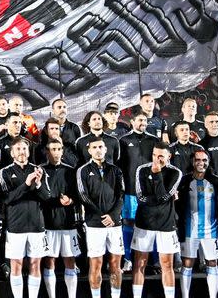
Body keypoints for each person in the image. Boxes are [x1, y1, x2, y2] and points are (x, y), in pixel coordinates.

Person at [0, 137, 50, 298]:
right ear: (12, 153)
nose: (22, 152)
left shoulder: (38, 170)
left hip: (36, 226)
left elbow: (47, 196)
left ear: (29, 151)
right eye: (18, 149)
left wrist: (39, 183)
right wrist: (27, 184)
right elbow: (7, 198)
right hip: (15, 227)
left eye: (25, 149)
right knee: (16, 265)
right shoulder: (5, 172)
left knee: (35, 264)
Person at [131, 141, 182, 298]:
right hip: (144, 223)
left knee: (167, 264)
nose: (156, 159)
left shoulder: (175, 173)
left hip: (166, 224)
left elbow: (162, 196)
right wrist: (163, 198)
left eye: (160, 156)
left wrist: (157, 174)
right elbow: (140, 198)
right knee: (140, 263)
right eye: (154, 155)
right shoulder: (142, 169)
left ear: (169, 156)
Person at [76, 138, 124, 298]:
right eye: (94, 147)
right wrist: (101, 216)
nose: (98, 149)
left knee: (115, 265)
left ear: (105, 149)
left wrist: (113, 215)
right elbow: (83, 196)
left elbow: (121, 195)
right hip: (94, 224)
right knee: (96, 264)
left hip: (114, 224)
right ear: (89, 150)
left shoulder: (115, 170)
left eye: (101, 147)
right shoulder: (83, 170)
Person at [176, 150, 218, 298]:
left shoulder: (215, 181)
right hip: (189, 230)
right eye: (198, 160)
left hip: (212, 230)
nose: (201, 163)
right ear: (192, 162)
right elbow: (177, 204)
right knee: (187, 264)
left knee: (212, 263)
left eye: (204, 160)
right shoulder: (184, 181)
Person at [40, 137, 80, 298]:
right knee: (50, 261)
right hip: (48, 223)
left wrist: (71, 200)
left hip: (68, 223)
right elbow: (39, 196)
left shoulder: (70, 171)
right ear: (46, 152)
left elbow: (78, 195)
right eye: (52, 149)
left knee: (70, 260)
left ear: (62, 151)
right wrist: (55, 201)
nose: (56, 153)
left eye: (58, 149)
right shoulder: (40, 170)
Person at [117, 111, 156, 271]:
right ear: (132, 121)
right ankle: (128, 258)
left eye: (145, 120)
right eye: (140, 119)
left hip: (149, 190)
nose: (143, 122)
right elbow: (120, 166)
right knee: (129, 222)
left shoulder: (153, 140)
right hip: (130, 190)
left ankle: (153, 260)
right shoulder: (124, 140)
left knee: (150, 224)